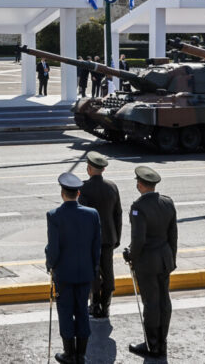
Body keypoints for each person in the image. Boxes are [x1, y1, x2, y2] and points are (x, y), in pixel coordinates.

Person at [45, 172, 101, 364]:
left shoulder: (54, 216)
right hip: (85, 273)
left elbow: (54, 248)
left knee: (66, 312)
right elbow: (96, 246)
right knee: (83, 312)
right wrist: (94, 268)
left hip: (64, 274)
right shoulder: (92, 214)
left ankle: (69, 354)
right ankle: (81, 354)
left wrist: (49, 264)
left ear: (62, 193)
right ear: (78, 193)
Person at [124, 166, 178, 359]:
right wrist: (172, 259)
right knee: (164, 301)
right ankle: (162, 341)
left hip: (147, 262)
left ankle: (152, 344)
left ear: (140, 184)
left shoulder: (138, 207)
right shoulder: (167, 202)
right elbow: (173, 235)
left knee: (151, 303)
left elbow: (138, 240)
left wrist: (130, 256)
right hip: (165, 259)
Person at [79, 152, 122, 319]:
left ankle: (95, 304)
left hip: (92, 239)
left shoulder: (83, 189)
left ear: (89, 169)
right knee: (108, 272)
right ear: (103, 169)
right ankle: (106, 306)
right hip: (109, 237)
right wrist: (116, 237)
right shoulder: (112, 186)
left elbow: (83, 217)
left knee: (94, 273)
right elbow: (118, 214)